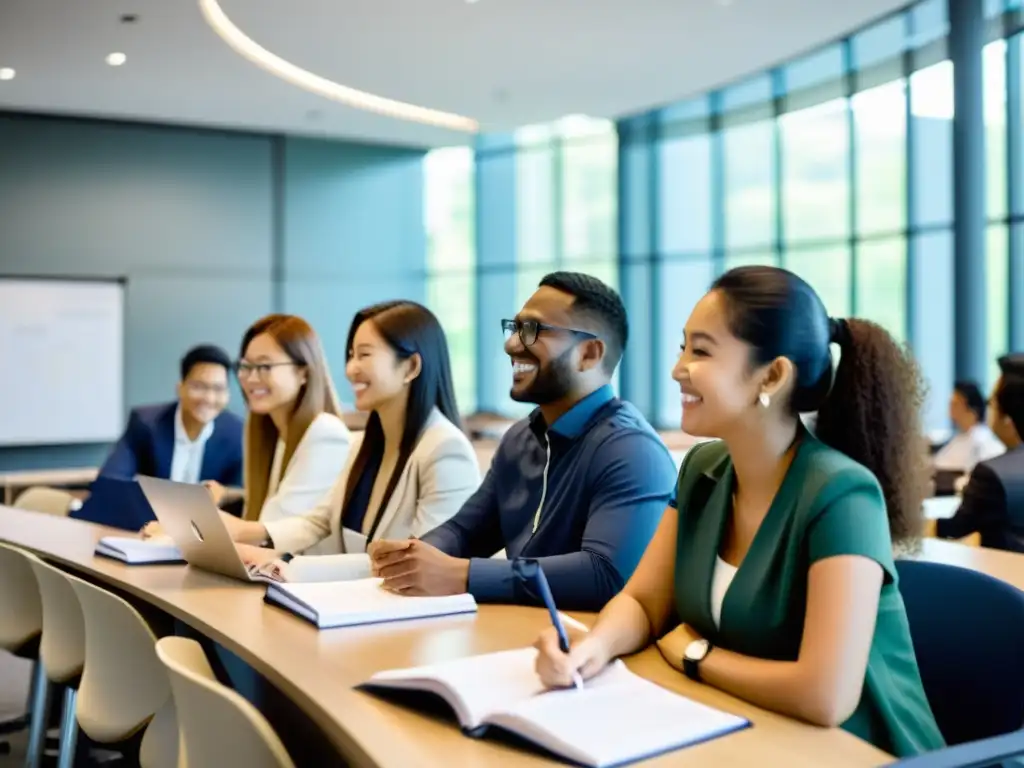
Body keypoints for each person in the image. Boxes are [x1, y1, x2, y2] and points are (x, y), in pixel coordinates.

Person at [534, 266, 944, 758]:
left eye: (701, 351)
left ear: (772, 375)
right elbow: (643, 603)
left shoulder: (843, 495)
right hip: (752, 734)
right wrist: (592, 650)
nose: (677, 368)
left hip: (857, 751)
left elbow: (826, 696)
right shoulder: (702, 471)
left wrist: (695, 653)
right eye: (682, 347)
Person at [369, 272, 677, 611]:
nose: (512, 344)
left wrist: (463, 575)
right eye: (514, 329)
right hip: (521, 633)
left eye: (532, 330)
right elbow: (465, 531)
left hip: (588, 651)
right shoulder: (520, 438)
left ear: (588, 353)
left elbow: (604, 575)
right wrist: (411, 556)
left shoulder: (631, 450)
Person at [225, 301, 481, 581]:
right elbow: (320, 520)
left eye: (364, 355)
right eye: (351, 355)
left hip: (409, 615)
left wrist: (287, 563)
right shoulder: (363, 445)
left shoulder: (445, 450)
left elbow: (415, 563)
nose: (350, 369)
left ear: (410, 366)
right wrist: (247, 536)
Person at [142, 314, 350, 537]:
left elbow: (268, 529)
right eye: (246, 366)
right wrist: (231, 496)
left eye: (264, 366)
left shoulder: (325, 433)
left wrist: (173, 530)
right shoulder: (278, 435)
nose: (250, 378)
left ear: (303, 372)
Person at [99, 344, 243, 488]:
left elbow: (241, 494)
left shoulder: (237, 434)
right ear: (180, 388)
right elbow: (111, 479)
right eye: (199, 387)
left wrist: (224, 494)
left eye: (218, 389)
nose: (209, 398)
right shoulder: (145, 423)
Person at [933, 354, 1024, 552]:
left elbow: (954, 528)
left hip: (1004, 579)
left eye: (992, 403)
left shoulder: (991, 474)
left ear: (1007, 419)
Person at [932, 380, 1004, 474]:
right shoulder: (959, 438)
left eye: (955, 404)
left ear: (972, 410)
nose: (951, 409)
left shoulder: (982, 441)